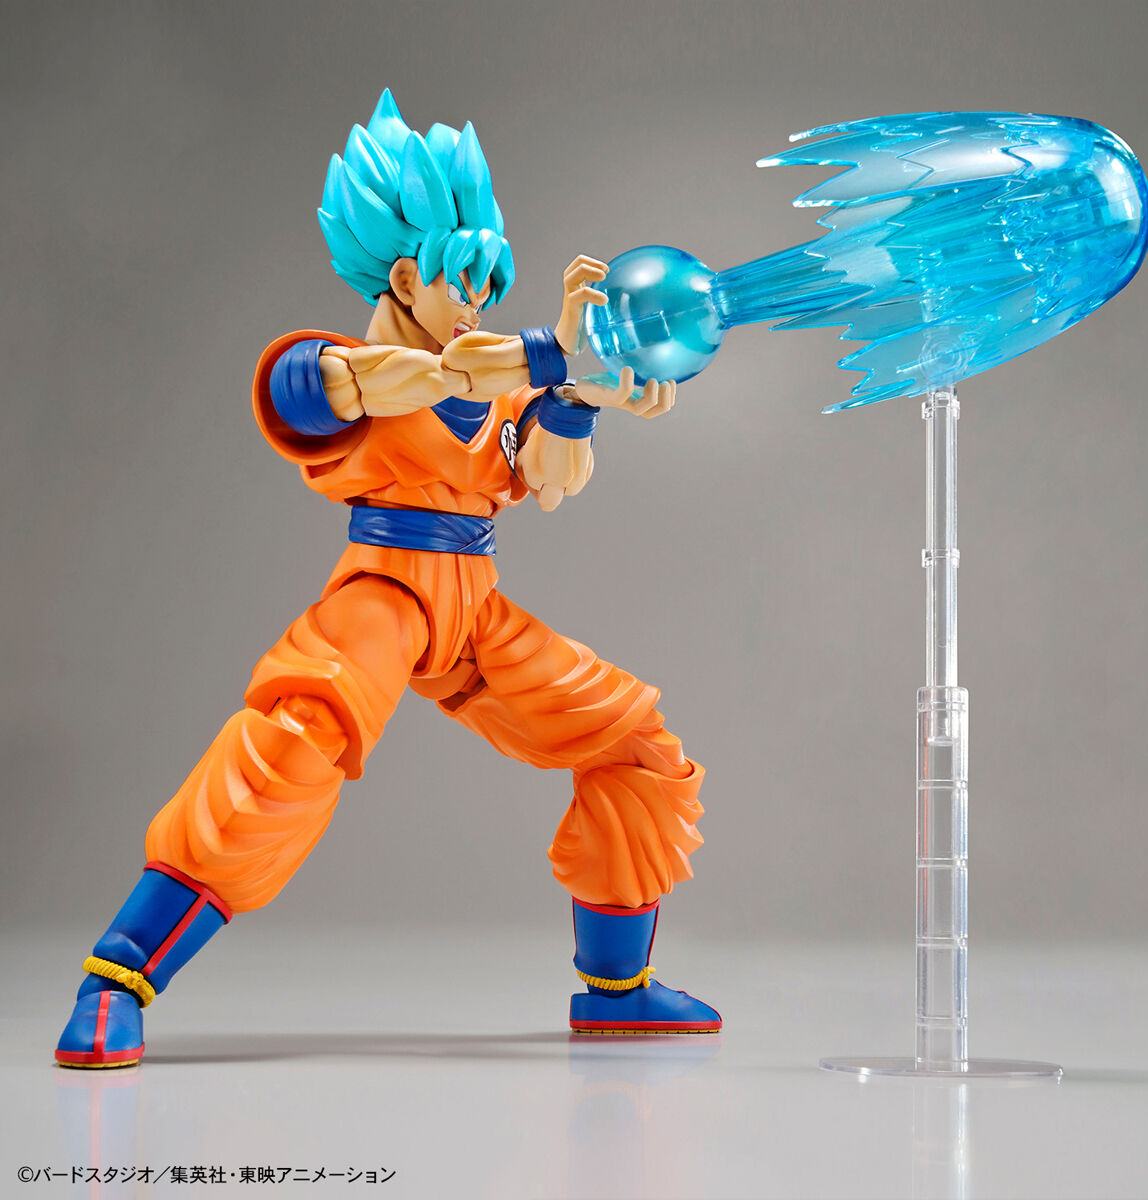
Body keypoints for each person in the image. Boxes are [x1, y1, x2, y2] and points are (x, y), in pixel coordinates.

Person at [55, 90, 719, 1068]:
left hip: (474, 607)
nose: (479, 300)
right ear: (407, 276)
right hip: (384, 593)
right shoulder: (328, 367)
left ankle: (617, 988)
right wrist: (548, 356)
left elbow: (548, 477)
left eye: (491, 280)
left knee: (633, 738)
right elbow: (409, 381)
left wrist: (580, 396)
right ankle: (116, 981)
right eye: (464, 279)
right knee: (292, 747)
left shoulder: (496, 380)